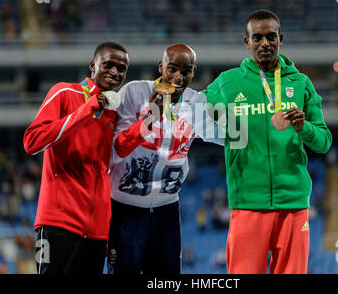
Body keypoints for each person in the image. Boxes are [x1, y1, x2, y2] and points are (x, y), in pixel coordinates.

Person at [203, 9, 332, 274]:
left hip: (294, 203)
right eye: (258, 37)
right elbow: (194, 112)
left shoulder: (301, 83)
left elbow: (324, 142)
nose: (265, 43)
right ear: (247, 41)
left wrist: (303, 127)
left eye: (271, 37)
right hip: (248, 203)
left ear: (280, 39)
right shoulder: (227, 83)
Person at [107, 43, 224, 274]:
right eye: (172, 69)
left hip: (167, 209)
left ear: (194, 72)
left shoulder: (196, 102)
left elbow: (226, 135)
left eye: (186, 70)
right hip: (124, 208)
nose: (179, 77)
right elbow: (113, 151)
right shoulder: (134, 92)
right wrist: (148, 121)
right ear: (161, 66)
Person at [23, 41, 129, 274]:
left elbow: (117, 153)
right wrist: (87, 108)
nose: (115, 72)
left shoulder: (113, 112)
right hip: (56, 223)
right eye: (109, 65)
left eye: (121, 69)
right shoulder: (64, 92)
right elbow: (32, 141)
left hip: (97, 231)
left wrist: (149, 121)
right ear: (93, 65)